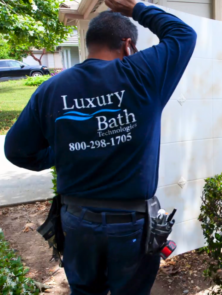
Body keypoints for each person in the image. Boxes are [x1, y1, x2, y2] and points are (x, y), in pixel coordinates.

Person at [4, 0, 197, 293]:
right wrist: (135, 8)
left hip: (77, 222)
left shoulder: (51, 89)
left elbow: (17, 150)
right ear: (128, 45)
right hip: (130, 224)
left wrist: (64, 149)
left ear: (89, 43)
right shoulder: (142, 74)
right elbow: (183, 34)